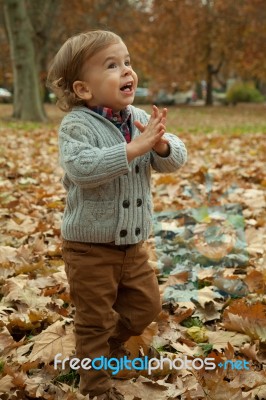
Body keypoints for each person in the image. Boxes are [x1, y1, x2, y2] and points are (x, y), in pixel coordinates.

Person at [47, 30, 187, 400]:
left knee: (146, 308)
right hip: (89, 249)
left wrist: (160, 144)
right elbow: (82, 168)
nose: (126, 71)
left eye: (126, 62)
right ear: (83, 89)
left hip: (133, 245)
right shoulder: (76, 125)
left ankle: (103, 348)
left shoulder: (138, 116)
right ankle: (94, 386)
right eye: (112, 65)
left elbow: (175, 160)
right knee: (93, 320)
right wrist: (130, 149)